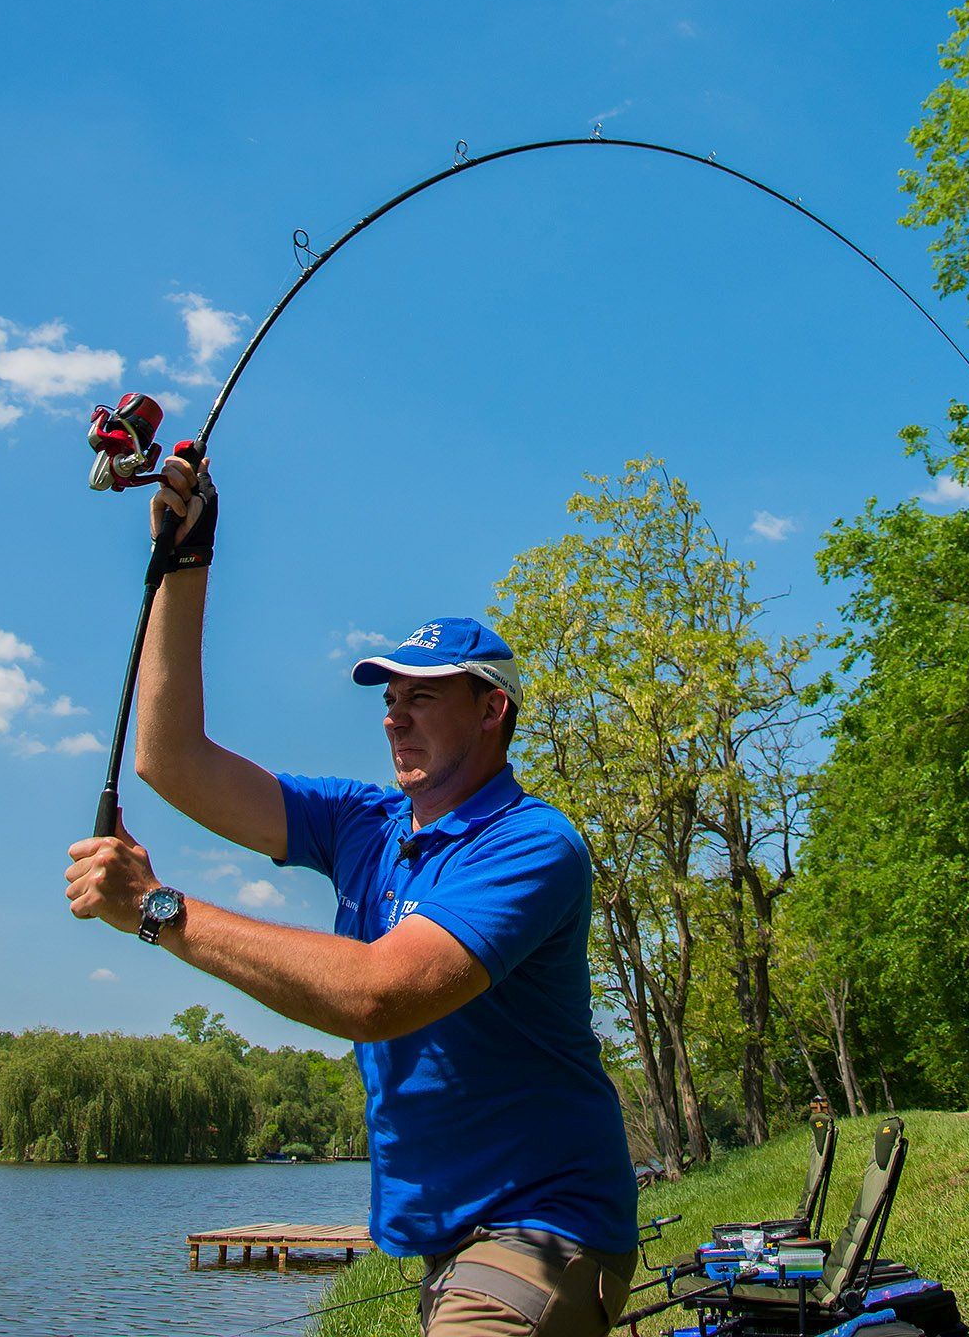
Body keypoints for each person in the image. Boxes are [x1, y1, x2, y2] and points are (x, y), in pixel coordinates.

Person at [64, 456, 639, 1336]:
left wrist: (157, 908)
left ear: (492, 712)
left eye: (423, 696)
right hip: (451, 1240)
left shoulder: (528, 844)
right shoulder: (364, 823)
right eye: (389, 696)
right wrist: (188, 561)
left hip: (541, 1230)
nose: (393, 716)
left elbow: (377, 996)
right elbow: (171, 761)